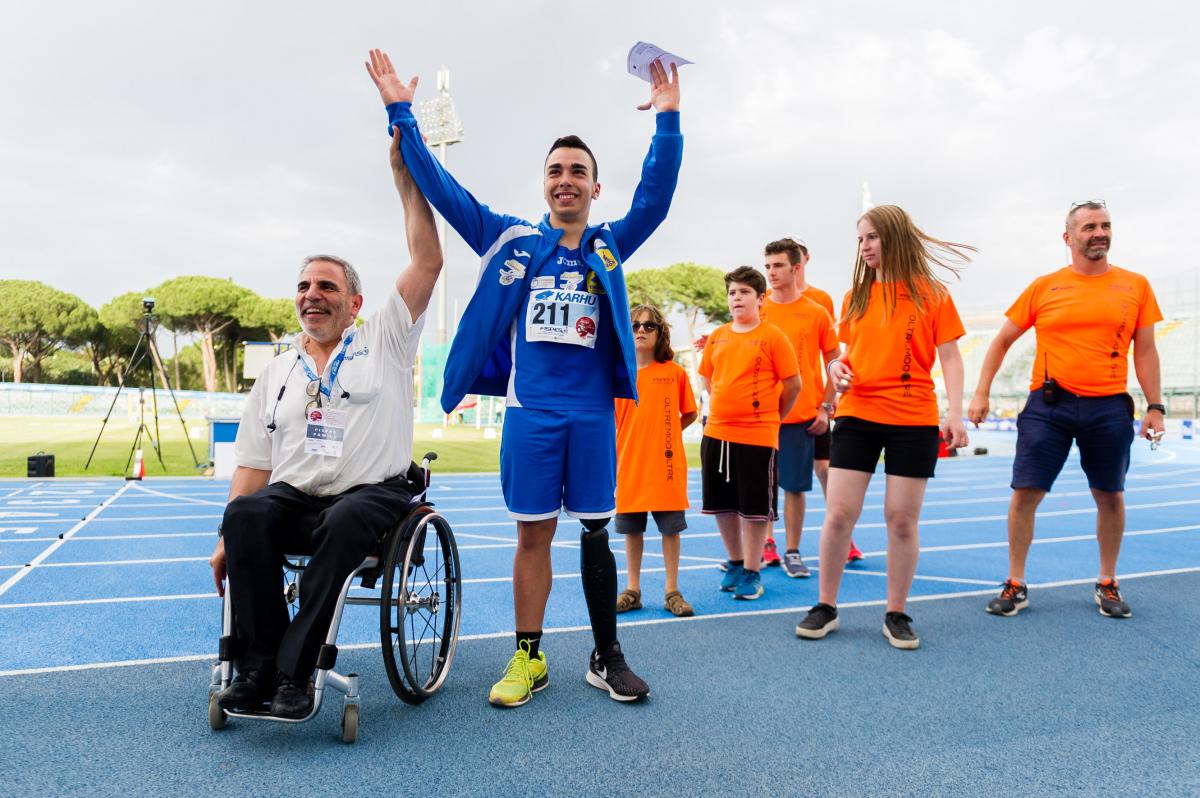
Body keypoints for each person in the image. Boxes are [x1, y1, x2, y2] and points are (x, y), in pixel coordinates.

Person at [366, 49, 682, 706]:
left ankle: (606, 653)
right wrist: (401, 110)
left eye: (579, 173)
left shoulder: (609, 245)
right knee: (532, 533)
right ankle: (529, 659)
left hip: (593, 416)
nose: (566, 180)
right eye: (556, 171)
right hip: (532, 414)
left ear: (596, 189)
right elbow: (442, 190)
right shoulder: (508, 238)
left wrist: (668, 122)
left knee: (598, 529)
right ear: (545, 184)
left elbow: (656, 197)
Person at [208, 118, 442, 718]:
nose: (313, 294)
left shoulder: (385, 338)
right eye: (305, 285)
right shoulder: (279, 369)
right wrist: (224, 539)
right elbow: (254, 464)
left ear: (355, 302)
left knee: (344, 521)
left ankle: (297, 672)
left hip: (371, 497)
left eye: (327, 286)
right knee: (244, 514)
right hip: (295, 498)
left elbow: (428, 260)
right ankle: (257, 668)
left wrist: (403, 175)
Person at [968, 200, 1164, 619]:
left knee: (1110, 495)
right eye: (1090, 226)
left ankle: (1107, 581)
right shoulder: (1044, 286)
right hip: (1049, 405)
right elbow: (1001, 341)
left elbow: (1145, 351)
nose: (1100, 233)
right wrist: (981, 393)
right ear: (1069, 237)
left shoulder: (1136, 285)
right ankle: (1015, 582)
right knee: (1025, 493)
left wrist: (1156, 406)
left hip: (1108, 406)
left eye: (1106, 225)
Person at [795, 205, 970, 650]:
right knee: (838, 514)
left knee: (901, 520)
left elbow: (950, 356)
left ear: (894, 237)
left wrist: (954, 413)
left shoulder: (931, 294)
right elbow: (843, 356)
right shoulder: (857, 295)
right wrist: (835, 372)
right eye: (860, 240)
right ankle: (826, 606)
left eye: (871, 237)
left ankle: (896, 612)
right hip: (857, 415)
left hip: (913, 418)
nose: (865, 246)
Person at [701, 266, 801, 601]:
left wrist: (773, 417)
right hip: (717, 432)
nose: (736, 298)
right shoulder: (718, 336)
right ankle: (735, 560)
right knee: (723, 505)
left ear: (760, 298)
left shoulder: (774, 337)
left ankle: (752, 570)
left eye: (744, 292)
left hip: (757, 435)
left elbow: (793, 384)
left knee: (755, 508)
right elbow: (708, 377)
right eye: (732, 292)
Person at [762, 239, 864, 563]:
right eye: (767, 266)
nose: (771, 272)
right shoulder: (760, 305)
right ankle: (766, 543)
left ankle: (839, 532)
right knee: (764, 482)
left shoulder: (819, 304)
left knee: (821, 471)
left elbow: (833, 359)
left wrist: (826, 406)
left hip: (808, 409)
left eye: (777, 265)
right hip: (767, 413)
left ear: (799, 264)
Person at [613, 305, 698, 617]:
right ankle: (632, 590)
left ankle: (672, 591)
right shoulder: (618, 374)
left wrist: (667, 433)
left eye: (649, 326)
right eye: (634, 324)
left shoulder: (674, 373)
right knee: (631, 531)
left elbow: (689, 413)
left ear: (660, 332)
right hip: (628, 466)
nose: (641, 330)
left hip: (666, 467)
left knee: (670, 530)